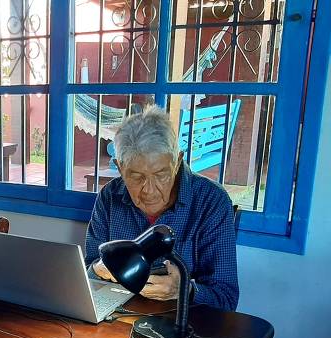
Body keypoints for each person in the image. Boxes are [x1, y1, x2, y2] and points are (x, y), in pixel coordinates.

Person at [85, 105, 238, 311]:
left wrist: (183, 290)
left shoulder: (211, 201)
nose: (149, 190)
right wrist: (98, 269)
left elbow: (226, 298)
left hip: (183, 327)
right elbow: (88, 272)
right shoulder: (110, 197)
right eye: (136, 176)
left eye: (160, 175)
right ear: (120, 167)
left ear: (177, 162)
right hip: (118, 321)